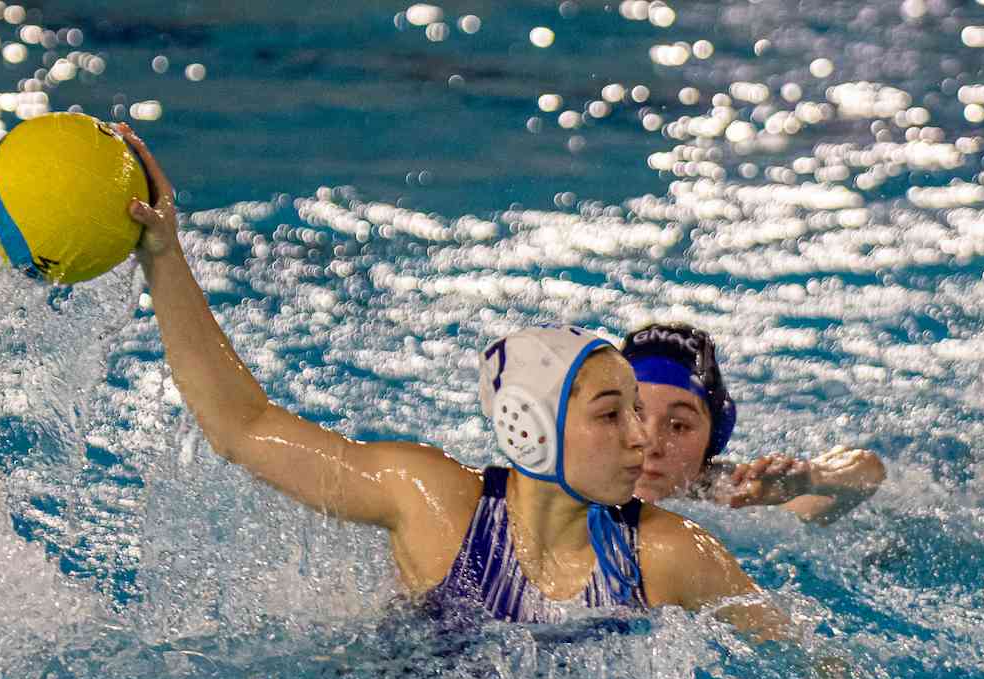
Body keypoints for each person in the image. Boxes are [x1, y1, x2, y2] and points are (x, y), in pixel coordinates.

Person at [115, 124, 792, 643]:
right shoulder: (435, 506)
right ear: (532, 426)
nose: (643, 437)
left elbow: (804, 654)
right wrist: (165, 256)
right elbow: (243, 426)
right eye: (613, 414)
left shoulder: (666, 554)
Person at [621, 323, 886, 524]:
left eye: (678, 426)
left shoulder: (735, 498)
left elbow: (867, 472)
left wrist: (809, 478)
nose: (651, 444)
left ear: (712, 439)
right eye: (633, 415)